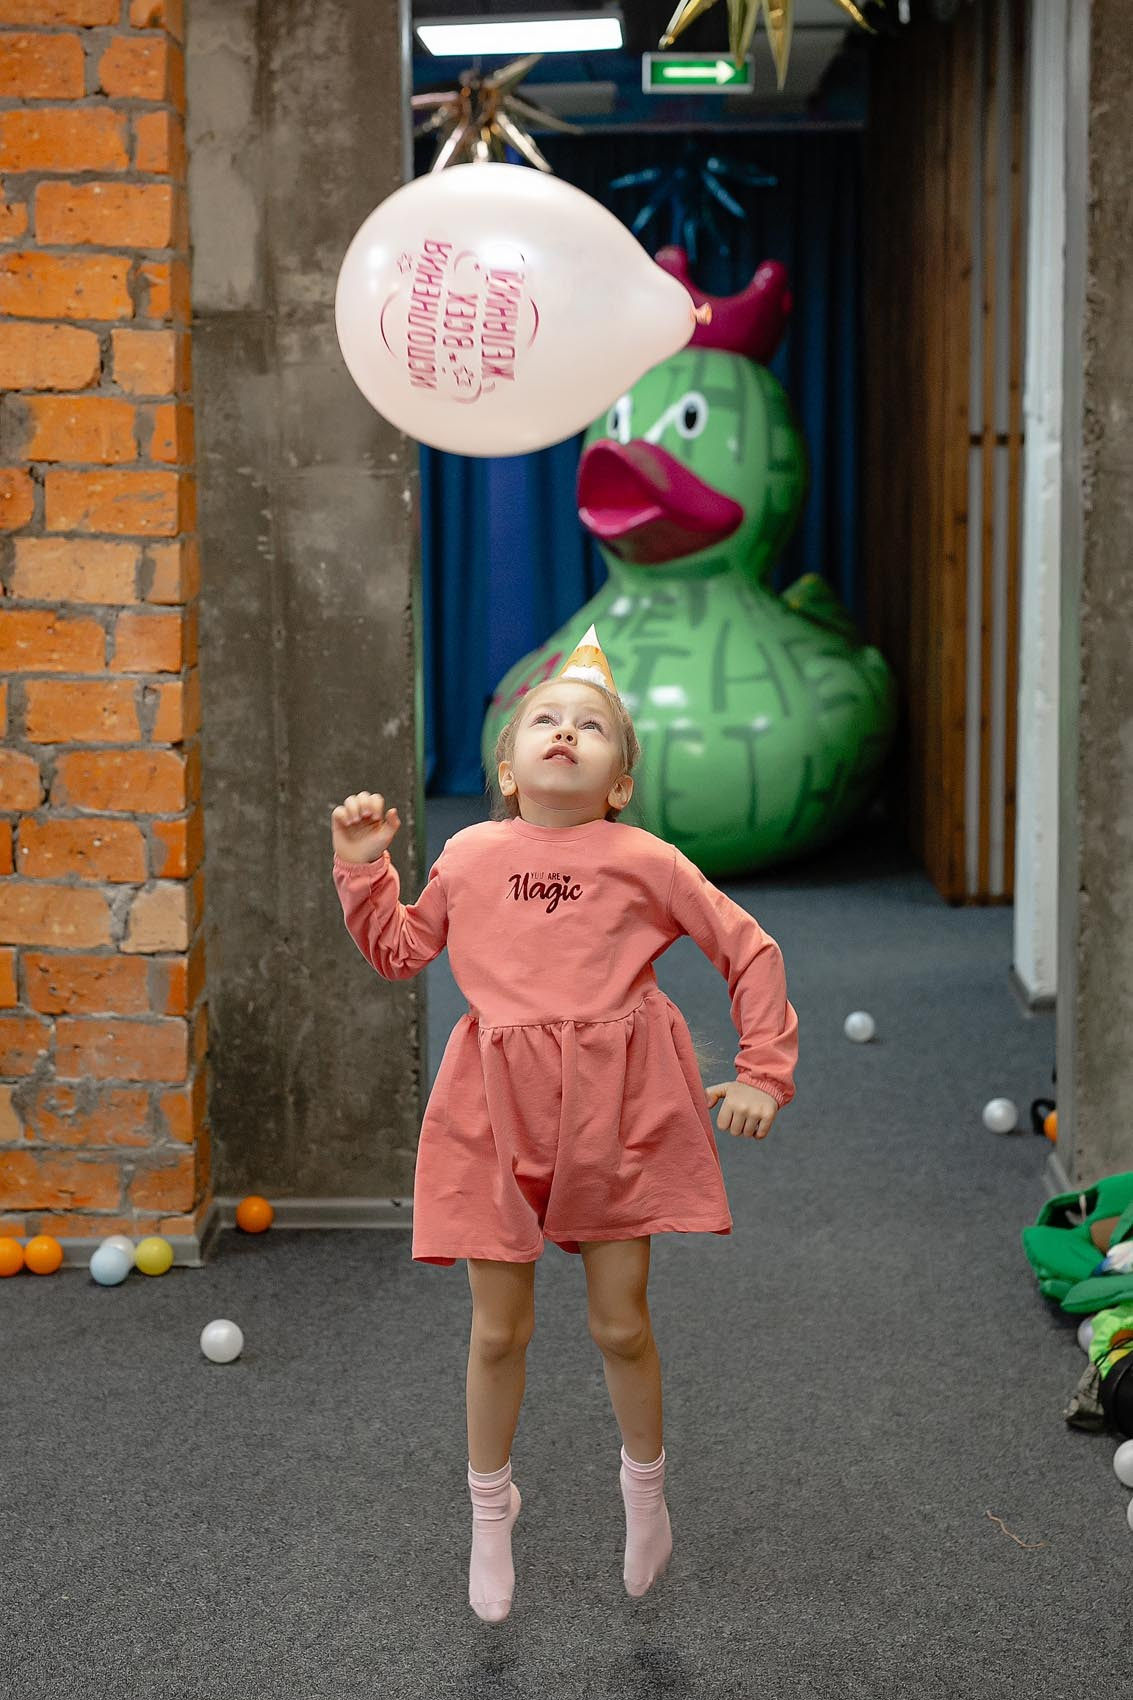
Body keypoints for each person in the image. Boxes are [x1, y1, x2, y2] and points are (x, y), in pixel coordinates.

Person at [331, 625, 798, 1624]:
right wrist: (364, 869)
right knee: (499, 1328)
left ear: (618, 779)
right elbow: (402, 950)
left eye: (590, 726)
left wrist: (762, 1069)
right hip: (491, 1111)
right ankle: (489, 1511)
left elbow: (747, 949)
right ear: (505, 765)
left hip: (615, 1110)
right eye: (544, 718)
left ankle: (645, 1493)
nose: (563, 731)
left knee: (619, 1321)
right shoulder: (469, 851)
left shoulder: (646, 858)